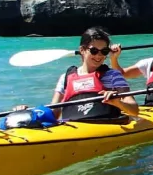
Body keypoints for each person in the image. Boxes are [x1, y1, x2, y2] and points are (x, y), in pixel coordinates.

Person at [12, 26, 140, 122]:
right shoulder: (66, 78)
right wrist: (29, 113)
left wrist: (118, 103)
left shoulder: (113, 76)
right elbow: (54, 113)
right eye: (94, 51)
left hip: (106, 126)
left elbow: (134, 110)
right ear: (82, 50)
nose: (99, 56)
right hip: (74, 128)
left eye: (104, 51)